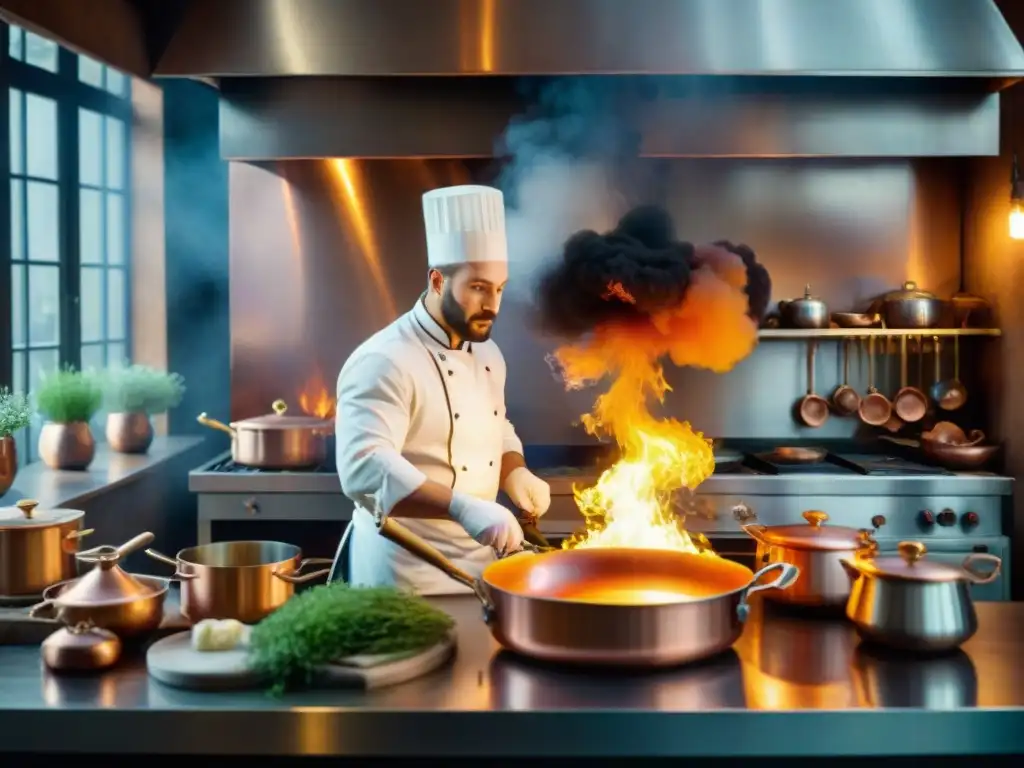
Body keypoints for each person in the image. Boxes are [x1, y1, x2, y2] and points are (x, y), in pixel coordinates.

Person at [332, 184, 552, 594]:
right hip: (403, 569)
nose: (493, 305)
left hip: (479, 563)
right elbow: (365, 468)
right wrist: (462, 506)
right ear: (437, 281)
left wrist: (514, 470)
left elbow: (496, 424)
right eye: (478, 287)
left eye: (500, 289)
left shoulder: (488, 355)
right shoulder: (385, 359)